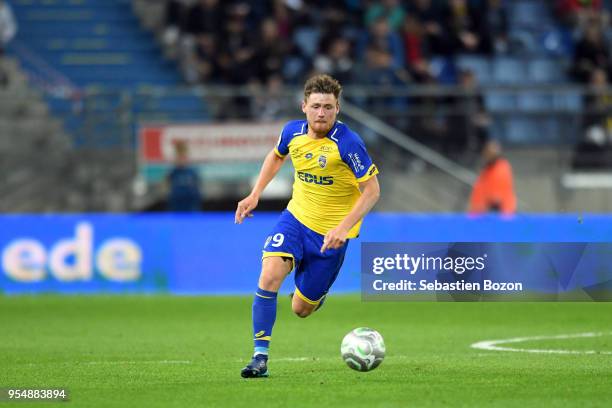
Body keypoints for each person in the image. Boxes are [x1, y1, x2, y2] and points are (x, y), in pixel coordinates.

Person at [235, 74, 380, 378]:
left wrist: (343, 228)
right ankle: (259, 357)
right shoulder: (292, 132)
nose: (321, 113)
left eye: (328, 107)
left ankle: (314, 297)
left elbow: (372, 190)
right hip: (296, 219)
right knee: (270, 273)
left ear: (337, 108)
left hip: (331, 236)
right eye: (315, 106)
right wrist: (255, 194)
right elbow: (276, 157)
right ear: (304, 106)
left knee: (301, 309)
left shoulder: (349, 144)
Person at [468, 139, 516, 214]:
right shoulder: (487, 169)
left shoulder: (501, 168)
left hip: (495, 215)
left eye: (489, 152)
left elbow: (497, 197)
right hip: (480, 214)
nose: (486, 154)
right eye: (486, 151)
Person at [166, 140, 202, 212]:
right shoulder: (173, 173)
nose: (181, 160)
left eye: (183, 157)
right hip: (177, 207)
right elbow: (168, 187)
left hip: (190, 207)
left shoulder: (192, 173)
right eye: (179, 157)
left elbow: (197, 191)